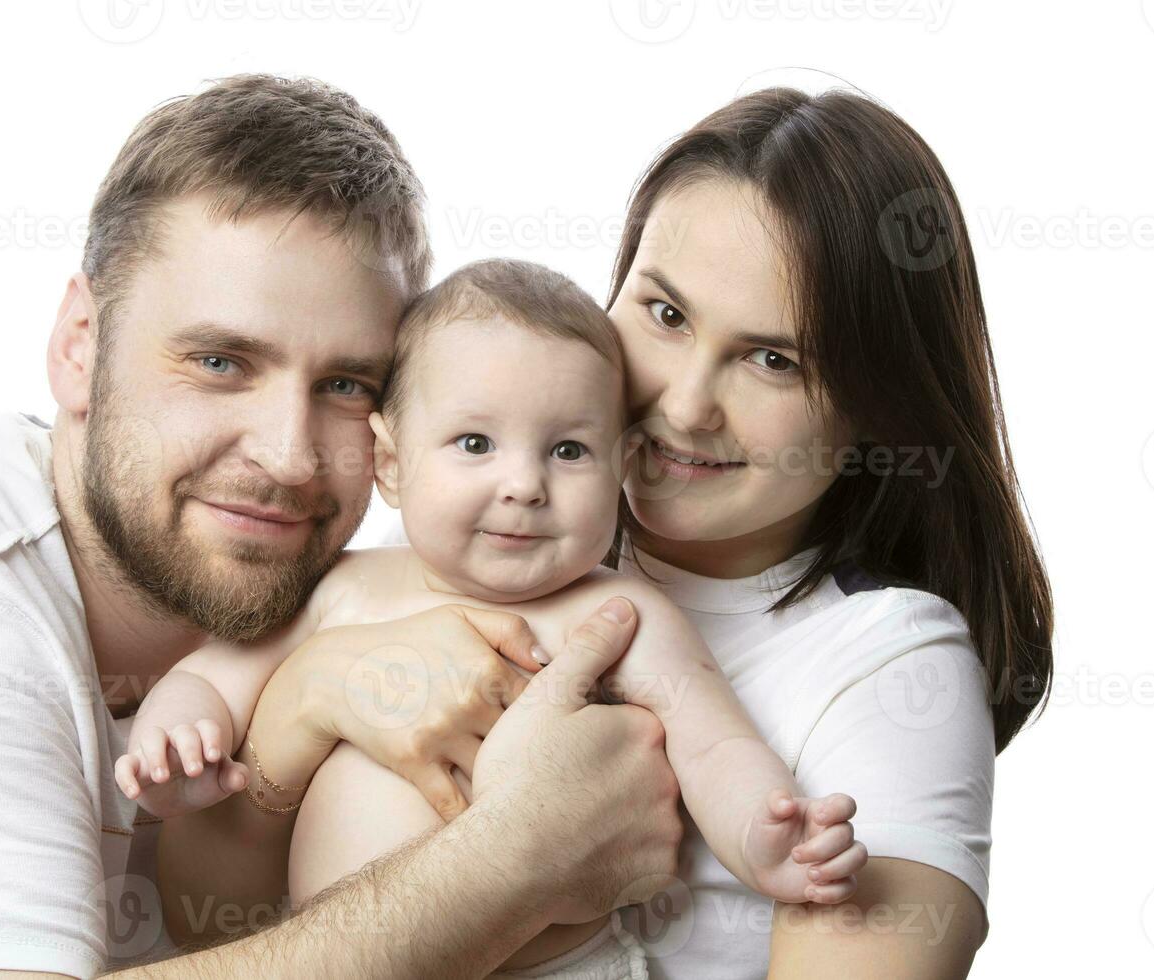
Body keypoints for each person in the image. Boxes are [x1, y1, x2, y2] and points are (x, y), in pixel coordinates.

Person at [0, 75, 683, 980]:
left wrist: (303, 703)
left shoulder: (345, 604)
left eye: (346, 385)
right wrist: (510, 862)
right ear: (77, 348)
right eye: (221, 362)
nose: (289, 456)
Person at [167, 88, 1053, 979]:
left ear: (874, 406)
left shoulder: (882, 657)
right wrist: (308, 696)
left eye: (773, 359)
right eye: (666, 314)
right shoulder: (452, 543)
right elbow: (216, 932)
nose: (685, 403)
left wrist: (763, 833)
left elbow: (718, 752)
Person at [120, 258, 868, 978]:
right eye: (475, 443)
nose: (524, 485)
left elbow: (714, 746)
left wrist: (766, 833)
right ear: (388, 462)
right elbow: (213, 679)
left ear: (624, 463)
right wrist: (177, 738)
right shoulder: (342, 590)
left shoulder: (619, 614)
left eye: (569, 450)